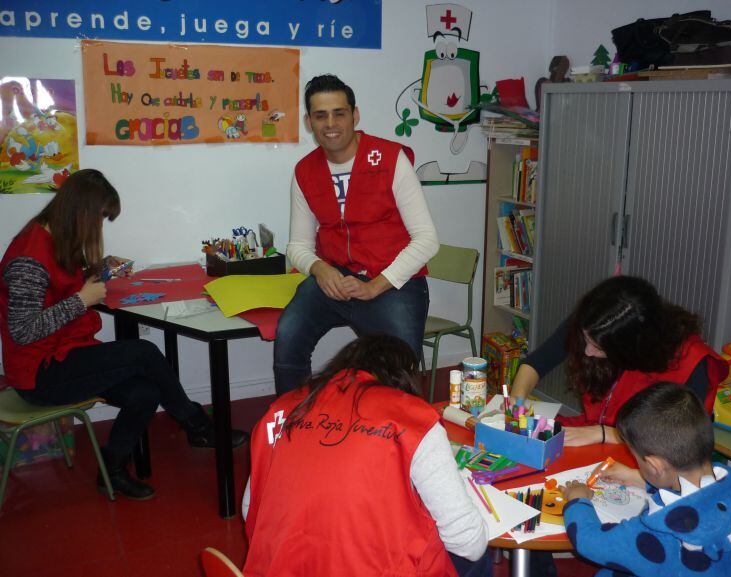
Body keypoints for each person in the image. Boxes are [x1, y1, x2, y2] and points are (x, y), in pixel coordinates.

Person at [0, 169, 248, 501]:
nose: (99, 227)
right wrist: (81, 300)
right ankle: (198, 427)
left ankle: (112, 469)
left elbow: (59, 287)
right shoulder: (29, 259)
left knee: (144, 392)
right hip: (39, 374)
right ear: (81, 212)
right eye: (100, 218)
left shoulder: (56, 239)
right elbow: (23, 331)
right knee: (143, 352)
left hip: (66, 353)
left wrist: (99, 270)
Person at [244, 334, 490, 577]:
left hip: (279, 568)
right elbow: (469, 542)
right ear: (406, 376)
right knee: (477, 558)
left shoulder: (282, 410)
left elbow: (251, 508)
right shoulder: (412, 419)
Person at [273, 74, 439, 395]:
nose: (330, 123)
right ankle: (292, 423)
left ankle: (397, 438)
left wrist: (375, 286)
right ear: (309, 122)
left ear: (355, 115)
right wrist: (320, 269)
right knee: (289, 335)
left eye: (339, 113)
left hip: (393, 282)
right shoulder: (305, 171)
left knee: (398, 372)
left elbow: (427, 239)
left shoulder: (391, 159)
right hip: (335, 278)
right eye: (320, 115)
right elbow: (298, 246)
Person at [560, 382, 731, 577]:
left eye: (636, 459)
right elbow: (691, 493)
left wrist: (578, 500)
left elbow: (591, 541)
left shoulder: (660, 530)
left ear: (655, 466)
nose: (636, 463)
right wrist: (636, 477)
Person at [509, 275, 728, 446]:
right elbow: (539, 361)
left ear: (631, 348)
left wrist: (606, 434)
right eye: (586, 339)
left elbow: (682, 441)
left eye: (598, 347)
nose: (587, 351)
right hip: (592, 437)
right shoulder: (597, 321)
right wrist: (517, 400)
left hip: (642, 457)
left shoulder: (692, 362)